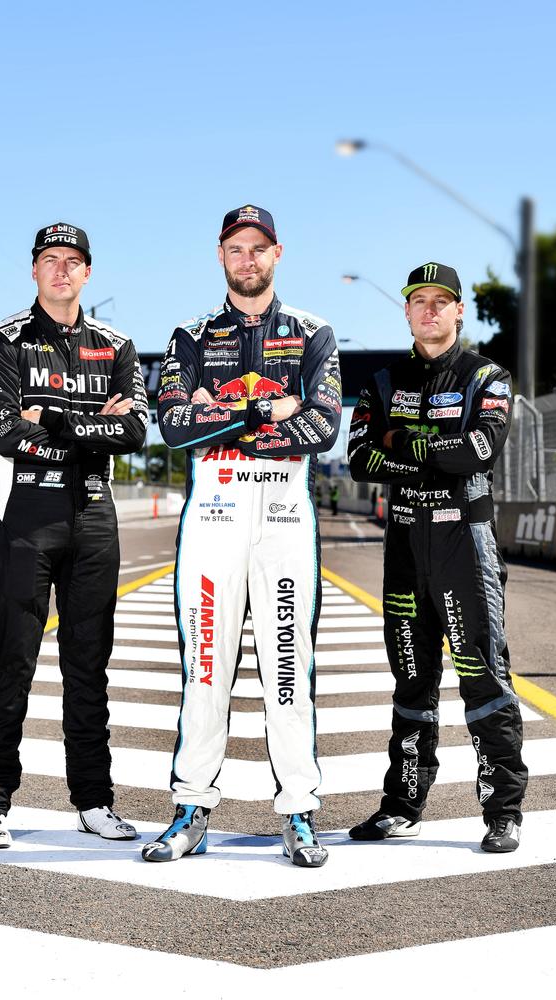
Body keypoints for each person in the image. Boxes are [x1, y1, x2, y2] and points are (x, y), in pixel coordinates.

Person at [142, 204, 342, 867]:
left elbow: (322, 427)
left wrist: (218, 409)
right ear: (221, 255)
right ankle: (191, 809)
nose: (247, 258)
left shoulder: (315, 333)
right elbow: (174, 427)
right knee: (205, 672)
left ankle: (299, 815)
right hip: (215, 520)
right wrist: (266, 408)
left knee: (288, 671)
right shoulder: (190, 335)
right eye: (236, 248)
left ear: (277, 253)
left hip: (283, 523)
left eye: (258, 248)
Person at [0, 222, 149, 848]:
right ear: (34, 270)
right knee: (12, 660)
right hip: (22, 515)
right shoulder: (5, 339)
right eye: (50, 261)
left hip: (94, 515)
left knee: (89, 666)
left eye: (73, 262)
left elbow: (134, 435)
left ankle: (94, 802)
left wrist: (52, 421)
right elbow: (3, 433)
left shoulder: (116, 345)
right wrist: (90, 427)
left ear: (89, 273)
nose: (62, 271)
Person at [347, 261, 527, 854]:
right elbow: (360, 460)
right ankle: (402, 805)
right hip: (403, 546)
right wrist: (429, 454)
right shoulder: (381, 381)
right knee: (411, 680)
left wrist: (401, 441)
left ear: (459, 310)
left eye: (440, 300)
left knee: (482, 675)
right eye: (418, 300)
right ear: (405, 310)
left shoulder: (487, 376)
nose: (429, 310)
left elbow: (480, 449)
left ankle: (503, 811)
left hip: (463, 546)